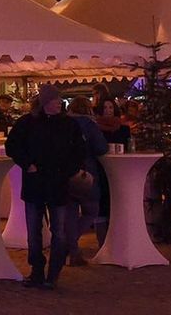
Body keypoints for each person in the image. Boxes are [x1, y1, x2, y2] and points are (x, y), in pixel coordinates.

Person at [6, 85, 86, 289]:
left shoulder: (69, 124)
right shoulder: (27, 123)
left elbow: (79, 151)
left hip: (58, 184)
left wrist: (68, 170)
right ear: (45, 102)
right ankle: (37, 271)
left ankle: (53, 272)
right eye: (55, 99)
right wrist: (27, 164)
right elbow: (12, 145)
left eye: (60, 100)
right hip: (36, 184)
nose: (59, 102)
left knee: (58, 231)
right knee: (34, 232)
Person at [64, 96, 111, 265]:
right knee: (91, 210)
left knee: (70, 212)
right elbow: (101, 148)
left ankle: (72, 250)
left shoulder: (63, 123)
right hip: (86, 173)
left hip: (65, 172)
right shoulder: (89, 125)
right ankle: (68, 246)